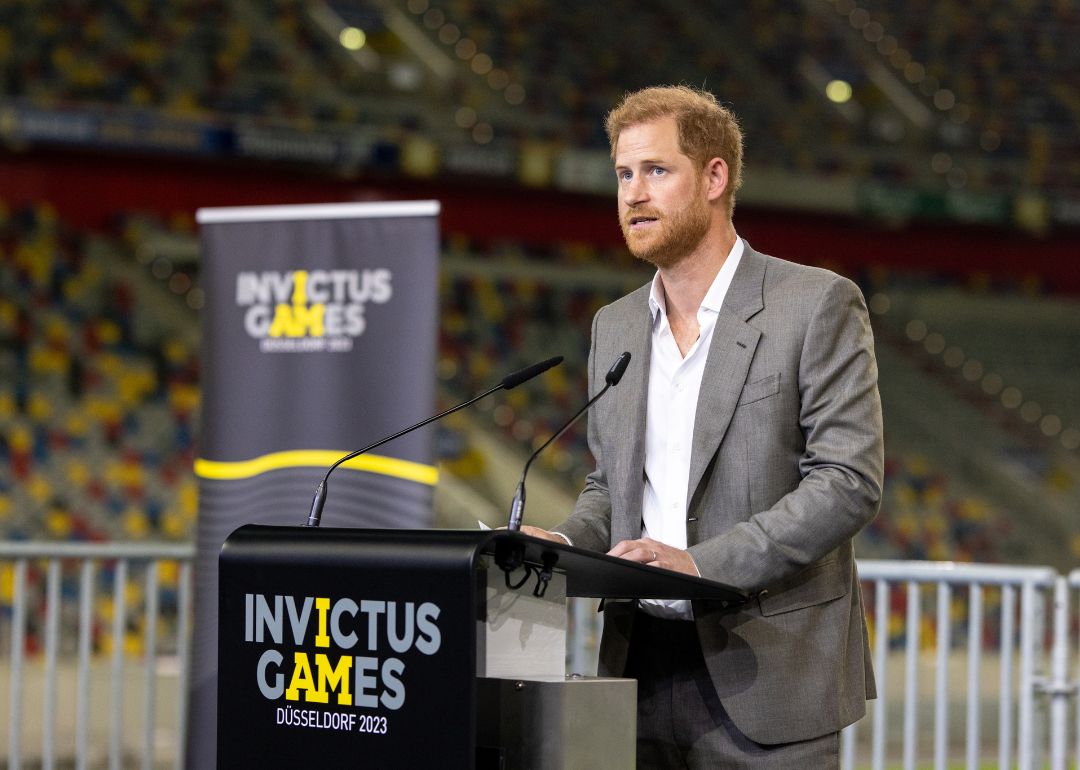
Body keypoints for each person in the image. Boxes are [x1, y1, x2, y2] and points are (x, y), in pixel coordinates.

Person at [519, 86, 883, 768]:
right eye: (623, 174)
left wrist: (700, 567)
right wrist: (563, 544)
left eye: (656, 171)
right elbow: (611, 486)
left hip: (770, 673)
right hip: (639, 670)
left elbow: (847, 482)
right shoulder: (616, 325)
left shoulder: (815, 304)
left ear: (715, 178)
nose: (633, 193)